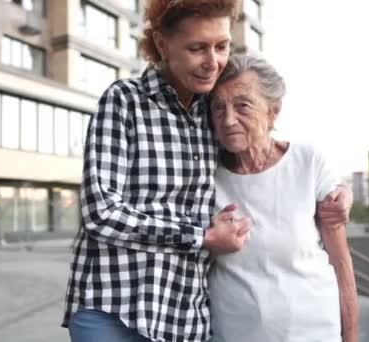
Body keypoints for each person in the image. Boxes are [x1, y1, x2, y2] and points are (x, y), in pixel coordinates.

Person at [62, 0, 353, 341]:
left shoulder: (213, 108)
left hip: (183, 317)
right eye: (197, 48)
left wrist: (334, 189)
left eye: (221, 46)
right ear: (162, 44)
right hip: (115, 308)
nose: (212, 62)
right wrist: (200, 237)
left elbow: (264, 142)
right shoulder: (124, 101)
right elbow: (101, 214)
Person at [207, 53, 359, 342]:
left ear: (273, 112)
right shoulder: (206, 176)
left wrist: (350, 338)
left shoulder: (308, 161)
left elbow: (341, 263)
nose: (228, 120)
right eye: (218, 108)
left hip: (316, 333)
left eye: (242, 105)